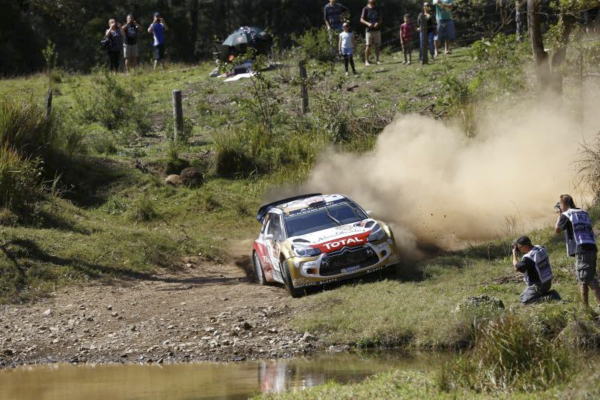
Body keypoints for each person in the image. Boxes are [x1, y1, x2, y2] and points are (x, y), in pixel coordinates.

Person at [555, 194, 600, 307]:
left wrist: (559, 215)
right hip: (592, 246)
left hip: (581, 248)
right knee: (586, 278)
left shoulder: (566, 214)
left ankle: (596, 304)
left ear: (563, 204)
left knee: (587, 279)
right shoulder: (583, 212)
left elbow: (557, 230)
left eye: (560, 204)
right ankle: (585, 307)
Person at [512, 236, 559, 304]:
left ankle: (551, 296)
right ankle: (549, 294)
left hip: (538, 285)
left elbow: (516, 267)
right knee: (521, 297)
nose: (519, 249)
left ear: (524, 246)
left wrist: (514, 255)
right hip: (547, 281)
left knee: (524, 302)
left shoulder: (529, 257)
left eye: (519, 247)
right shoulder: (540, 248)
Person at [360, 0, 382, 66]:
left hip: (377, 29)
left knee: (377, 45)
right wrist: (368, 23)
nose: (372, 2)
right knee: (368, 45)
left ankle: (377, 60)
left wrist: (377, 23)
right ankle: (366, 61)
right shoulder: (365, 9)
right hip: (368, 30)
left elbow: (380, 19)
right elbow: (361, 19)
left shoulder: (377, 9)